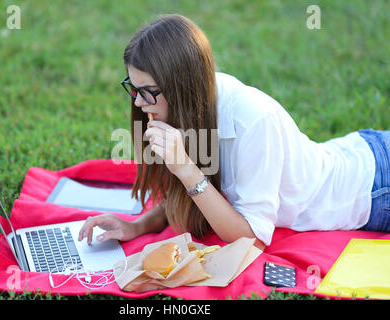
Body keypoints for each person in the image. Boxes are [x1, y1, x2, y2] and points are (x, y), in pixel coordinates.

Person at [78, 14, 389, 249]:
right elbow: (186, 195)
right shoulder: (192, 102)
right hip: (359, 150)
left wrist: (186, 169)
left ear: (180, 86)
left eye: (148, 91)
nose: (138, 102)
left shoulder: (253, 120)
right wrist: (137, 226)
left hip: (374, 190)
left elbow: (252, 239)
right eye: (133, 88)